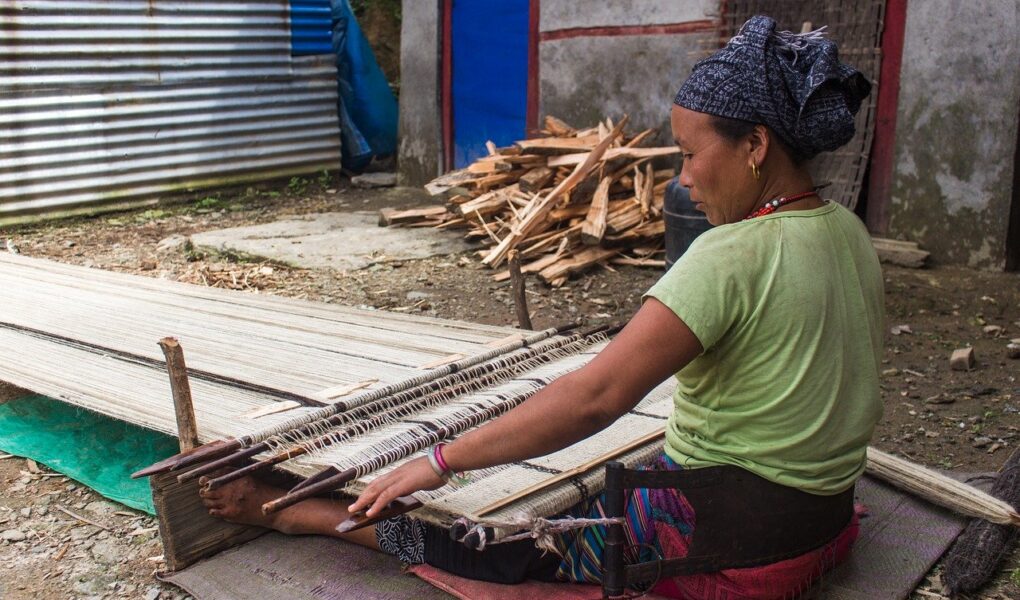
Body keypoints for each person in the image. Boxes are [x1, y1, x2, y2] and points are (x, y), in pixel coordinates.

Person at [200, 15, 884, 599]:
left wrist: (441, 460)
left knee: (490, 540)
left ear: (756, 145)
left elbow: (595, 398)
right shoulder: (847, 232)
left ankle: (309, 517)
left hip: (729, 556)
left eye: (688, 155)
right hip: (820, 532)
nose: (683, 181)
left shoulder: (731, 254)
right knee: (595, 481)